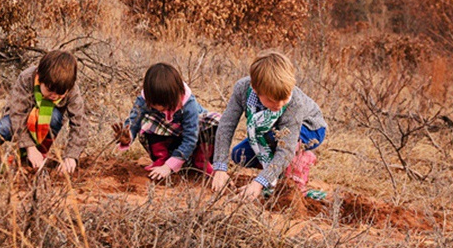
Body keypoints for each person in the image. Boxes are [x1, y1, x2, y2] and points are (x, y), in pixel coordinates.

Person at [210, 51, 326, 200]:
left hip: (311, 129)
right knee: (240, 155)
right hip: (271, 131)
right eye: (272, 100)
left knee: (278, 141)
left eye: (284, 98)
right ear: (256, 89)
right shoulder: (242, 89)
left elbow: (286, 149)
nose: (279, 105)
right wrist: (220, 168)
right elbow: (226, 125)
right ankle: (276, 170)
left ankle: (300, 161)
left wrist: (259, 183)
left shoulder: (294, 102)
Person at [0, 50, 87, 175]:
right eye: (50, 90)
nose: (54, 96)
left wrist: (71, 156)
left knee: (55, 117)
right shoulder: (27, 78)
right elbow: (17, 114)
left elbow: (80, 124)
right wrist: (29, 146)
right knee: (3, 126)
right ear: (40, 77)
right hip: (20, 120)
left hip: (46, 127)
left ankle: (35, 160)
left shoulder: (71, 90)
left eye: (60, 93)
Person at [113, 63, 220, 180]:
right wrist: (129, 136)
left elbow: (191, 138)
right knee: (147, 121)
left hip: (193, 142)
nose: (161, 108)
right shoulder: (144, 100)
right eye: (155, 104)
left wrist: (169, 167)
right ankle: (162, 159)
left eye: (166, 105)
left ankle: (201, 160)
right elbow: (134, 122)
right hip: (171, 139)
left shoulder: (189, 104)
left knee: (216, 122)